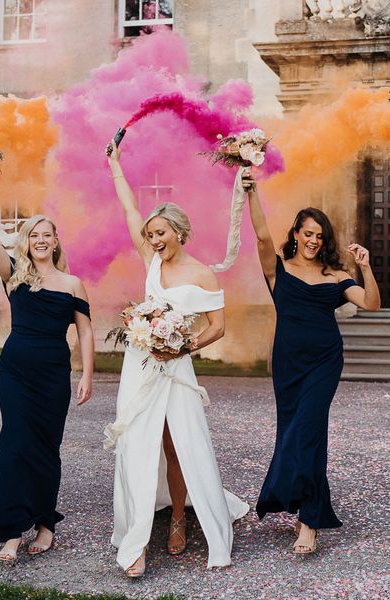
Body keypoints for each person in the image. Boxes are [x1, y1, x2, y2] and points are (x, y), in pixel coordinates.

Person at [106, 141, 249, 577]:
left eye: (160, 233)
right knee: (137, 441)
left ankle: (182, 516)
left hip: (177, 366)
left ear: (179, 233)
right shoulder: (151, 261)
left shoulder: (202, 273)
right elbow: (130, 209)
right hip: (141, 365)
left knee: (178, 445)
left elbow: (217, 327)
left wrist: (181, 346)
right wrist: (114, 164)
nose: (153, 240)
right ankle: (136, 537)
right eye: (150, 235)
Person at [243, 168, 381, 554]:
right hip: (288, 363)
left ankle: (309, 521)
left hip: (324, 361)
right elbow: (260, 234)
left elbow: (371, 303)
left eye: (320, 236)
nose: (313, 241)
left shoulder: (337, 275)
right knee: (294, 433)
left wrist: (365, 267)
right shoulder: (279, 270)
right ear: (296, 234)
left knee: (309, 431)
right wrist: (251, 191)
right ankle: (304, 507)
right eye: (307, 233)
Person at [0, 191, 94, 562]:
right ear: (27, 242)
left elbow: (86, 331)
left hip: (54, 373)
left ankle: (44, 524)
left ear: (56, 241)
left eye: (46, 235)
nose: (40, 241)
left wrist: (87, 374)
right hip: (17, 370)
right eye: (34, 235)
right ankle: (11, 529)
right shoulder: (15, 275)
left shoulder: (73, 284)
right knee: (16, 443)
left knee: (46, 447)